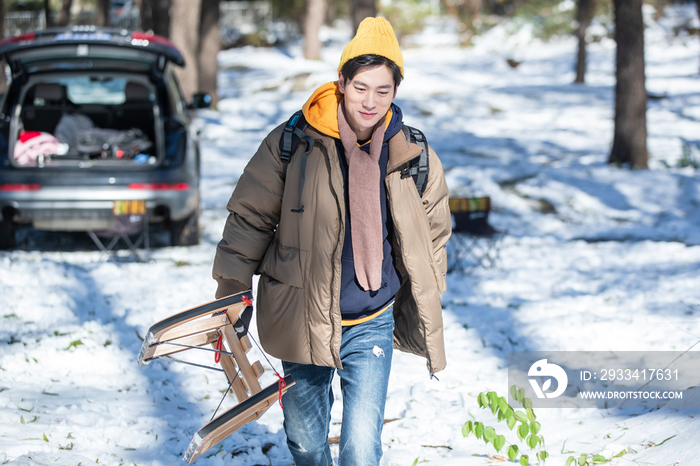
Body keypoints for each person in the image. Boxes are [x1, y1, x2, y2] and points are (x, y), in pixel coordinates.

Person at [212, 17, 451, 466]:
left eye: (383, 90)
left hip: (372, 316)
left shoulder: (410, 153)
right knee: (305, 439)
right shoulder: (295, 142)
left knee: (362, 449)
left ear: (395, 91)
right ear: (341, 81)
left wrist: (425, 284)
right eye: (361, 87)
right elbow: (249, 217)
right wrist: (231, 291)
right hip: (302, 312)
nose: (371, 101)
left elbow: (435, 225)